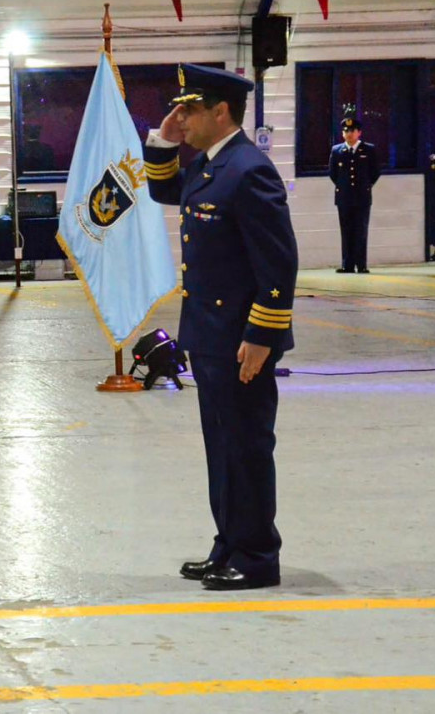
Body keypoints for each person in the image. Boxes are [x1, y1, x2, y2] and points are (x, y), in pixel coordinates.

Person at [144, 64, 298, 591]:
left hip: (239, 340)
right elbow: (165, 191)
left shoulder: (249, 170)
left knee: (246, 448)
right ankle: (229, 544)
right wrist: (163, 142)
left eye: (189, 110)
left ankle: (257, 557)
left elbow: (278, 264)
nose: (181, 118)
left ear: (221, 111)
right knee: (223, 447)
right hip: (210, 336)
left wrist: (261, 337)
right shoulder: (213, 165)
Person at [328, 111, 381, 274]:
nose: (348, 134)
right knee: (346, 231)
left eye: (352, 131)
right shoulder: (337, 151)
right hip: (344, 197)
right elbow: (333, 174)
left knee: (361, 231)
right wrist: (344, 187)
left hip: (362, 197)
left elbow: (375, 172)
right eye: (346, 131)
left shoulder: (368, 150)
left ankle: (361, 265)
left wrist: (365, 186)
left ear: (359, 133)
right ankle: (347, 265)